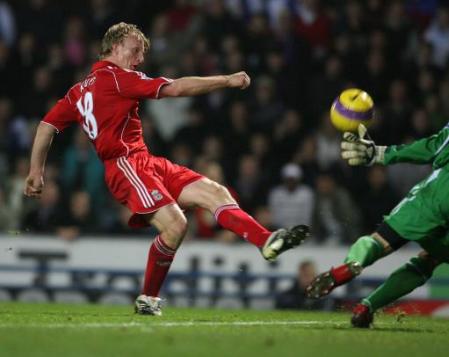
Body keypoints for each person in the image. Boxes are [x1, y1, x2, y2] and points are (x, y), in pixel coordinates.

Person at [23, 22, 310, 316]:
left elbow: (47, 125)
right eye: (136, 49)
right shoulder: (118, 78)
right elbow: (177, 87)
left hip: (145, 161)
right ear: (116, 45)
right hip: (125, 165)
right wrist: (226, 80)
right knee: (176, 225)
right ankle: (148, 298)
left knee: (215, 192)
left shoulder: (77, 91)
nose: (140, 59)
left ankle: (265, 240)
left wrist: (36, 170)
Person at [306, 123, 449, 328]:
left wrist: (381, 154)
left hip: (439, 192)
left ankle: (352, 265)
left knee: (380, 241)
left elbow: (432, 147)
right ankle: (366, 307)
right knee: (430, 260)